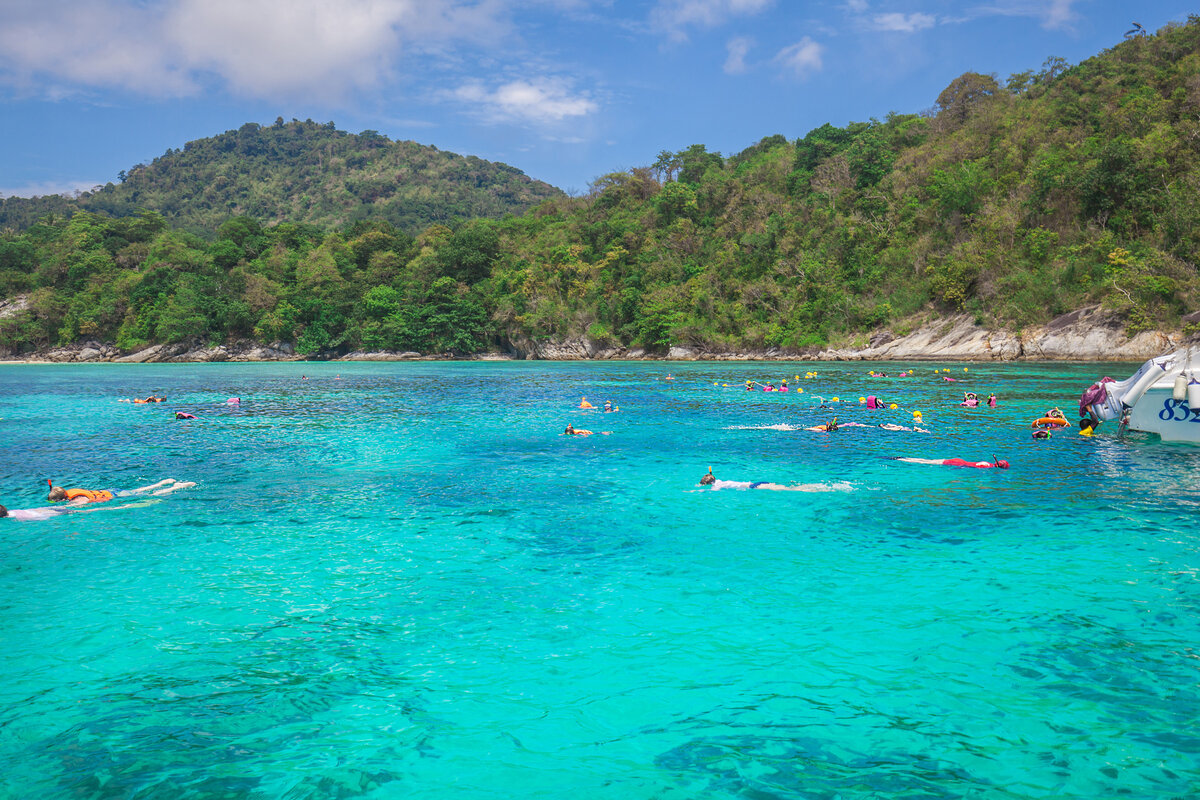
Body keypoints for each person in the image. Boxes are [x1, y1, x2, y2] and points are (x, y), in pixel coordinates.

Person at [48, 478, 195, 505]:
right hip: (112, 491)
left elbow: (81, 505)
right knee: (138, 490)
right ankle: (163, 483)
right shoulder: (72, 491)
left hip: (113, 496)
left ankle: (177, 487)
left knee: (149, 496)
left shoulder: (77, 498)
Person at [894, 456, 1009, 469]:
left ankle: (903, 458)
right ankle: (901, 459)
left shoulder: (987, 463)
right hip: (958, 464)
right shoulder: (987, 466)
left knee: (927, 461)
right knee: (925, 463)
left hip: (959, 461)